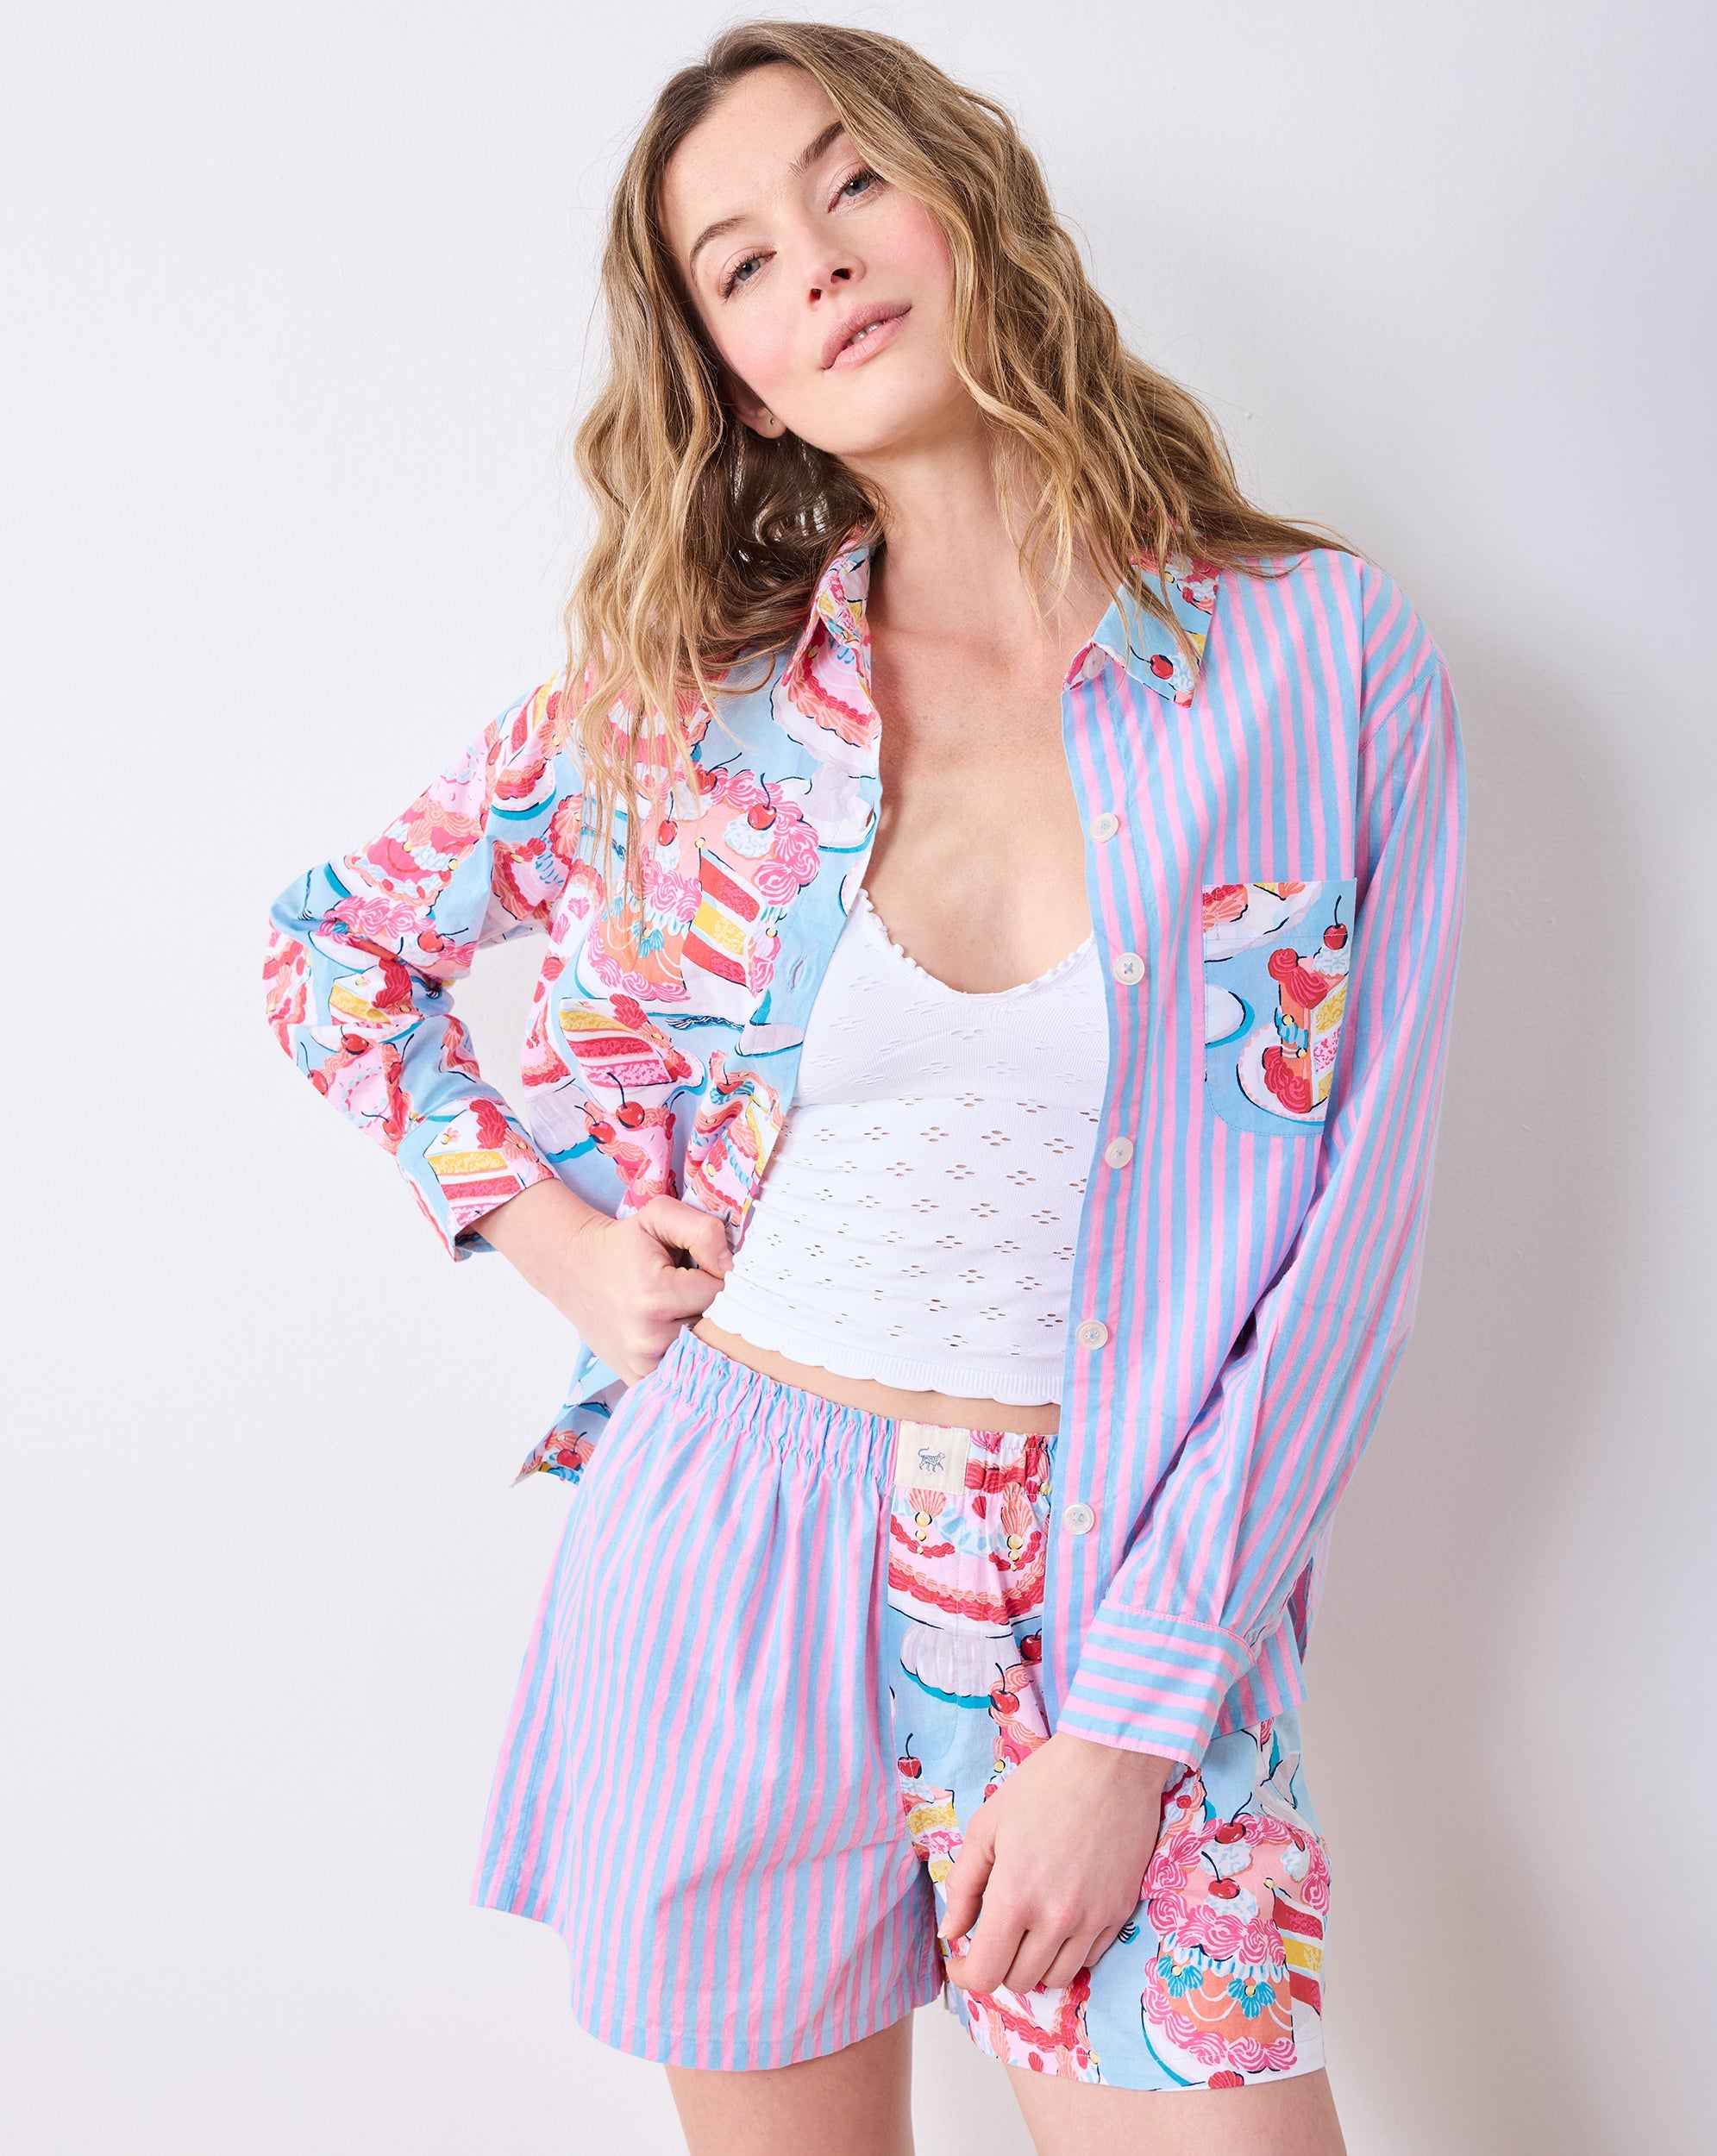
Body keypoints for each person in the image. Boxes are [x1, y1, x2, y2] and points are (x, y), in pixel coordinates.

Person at [262, 21, 1466, 2154]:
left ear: (961, 201)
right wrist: (558, 1242)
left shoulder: (1317, 659)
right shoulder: (686, 717)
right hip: (730, 1539)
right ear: (736, 376)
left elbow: (1345, 1243)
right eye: (738, 262)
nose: (812, 260)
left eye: (846, 184)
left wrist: (1127, 1728)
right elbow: (332, 946)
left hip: (1112, 1583)